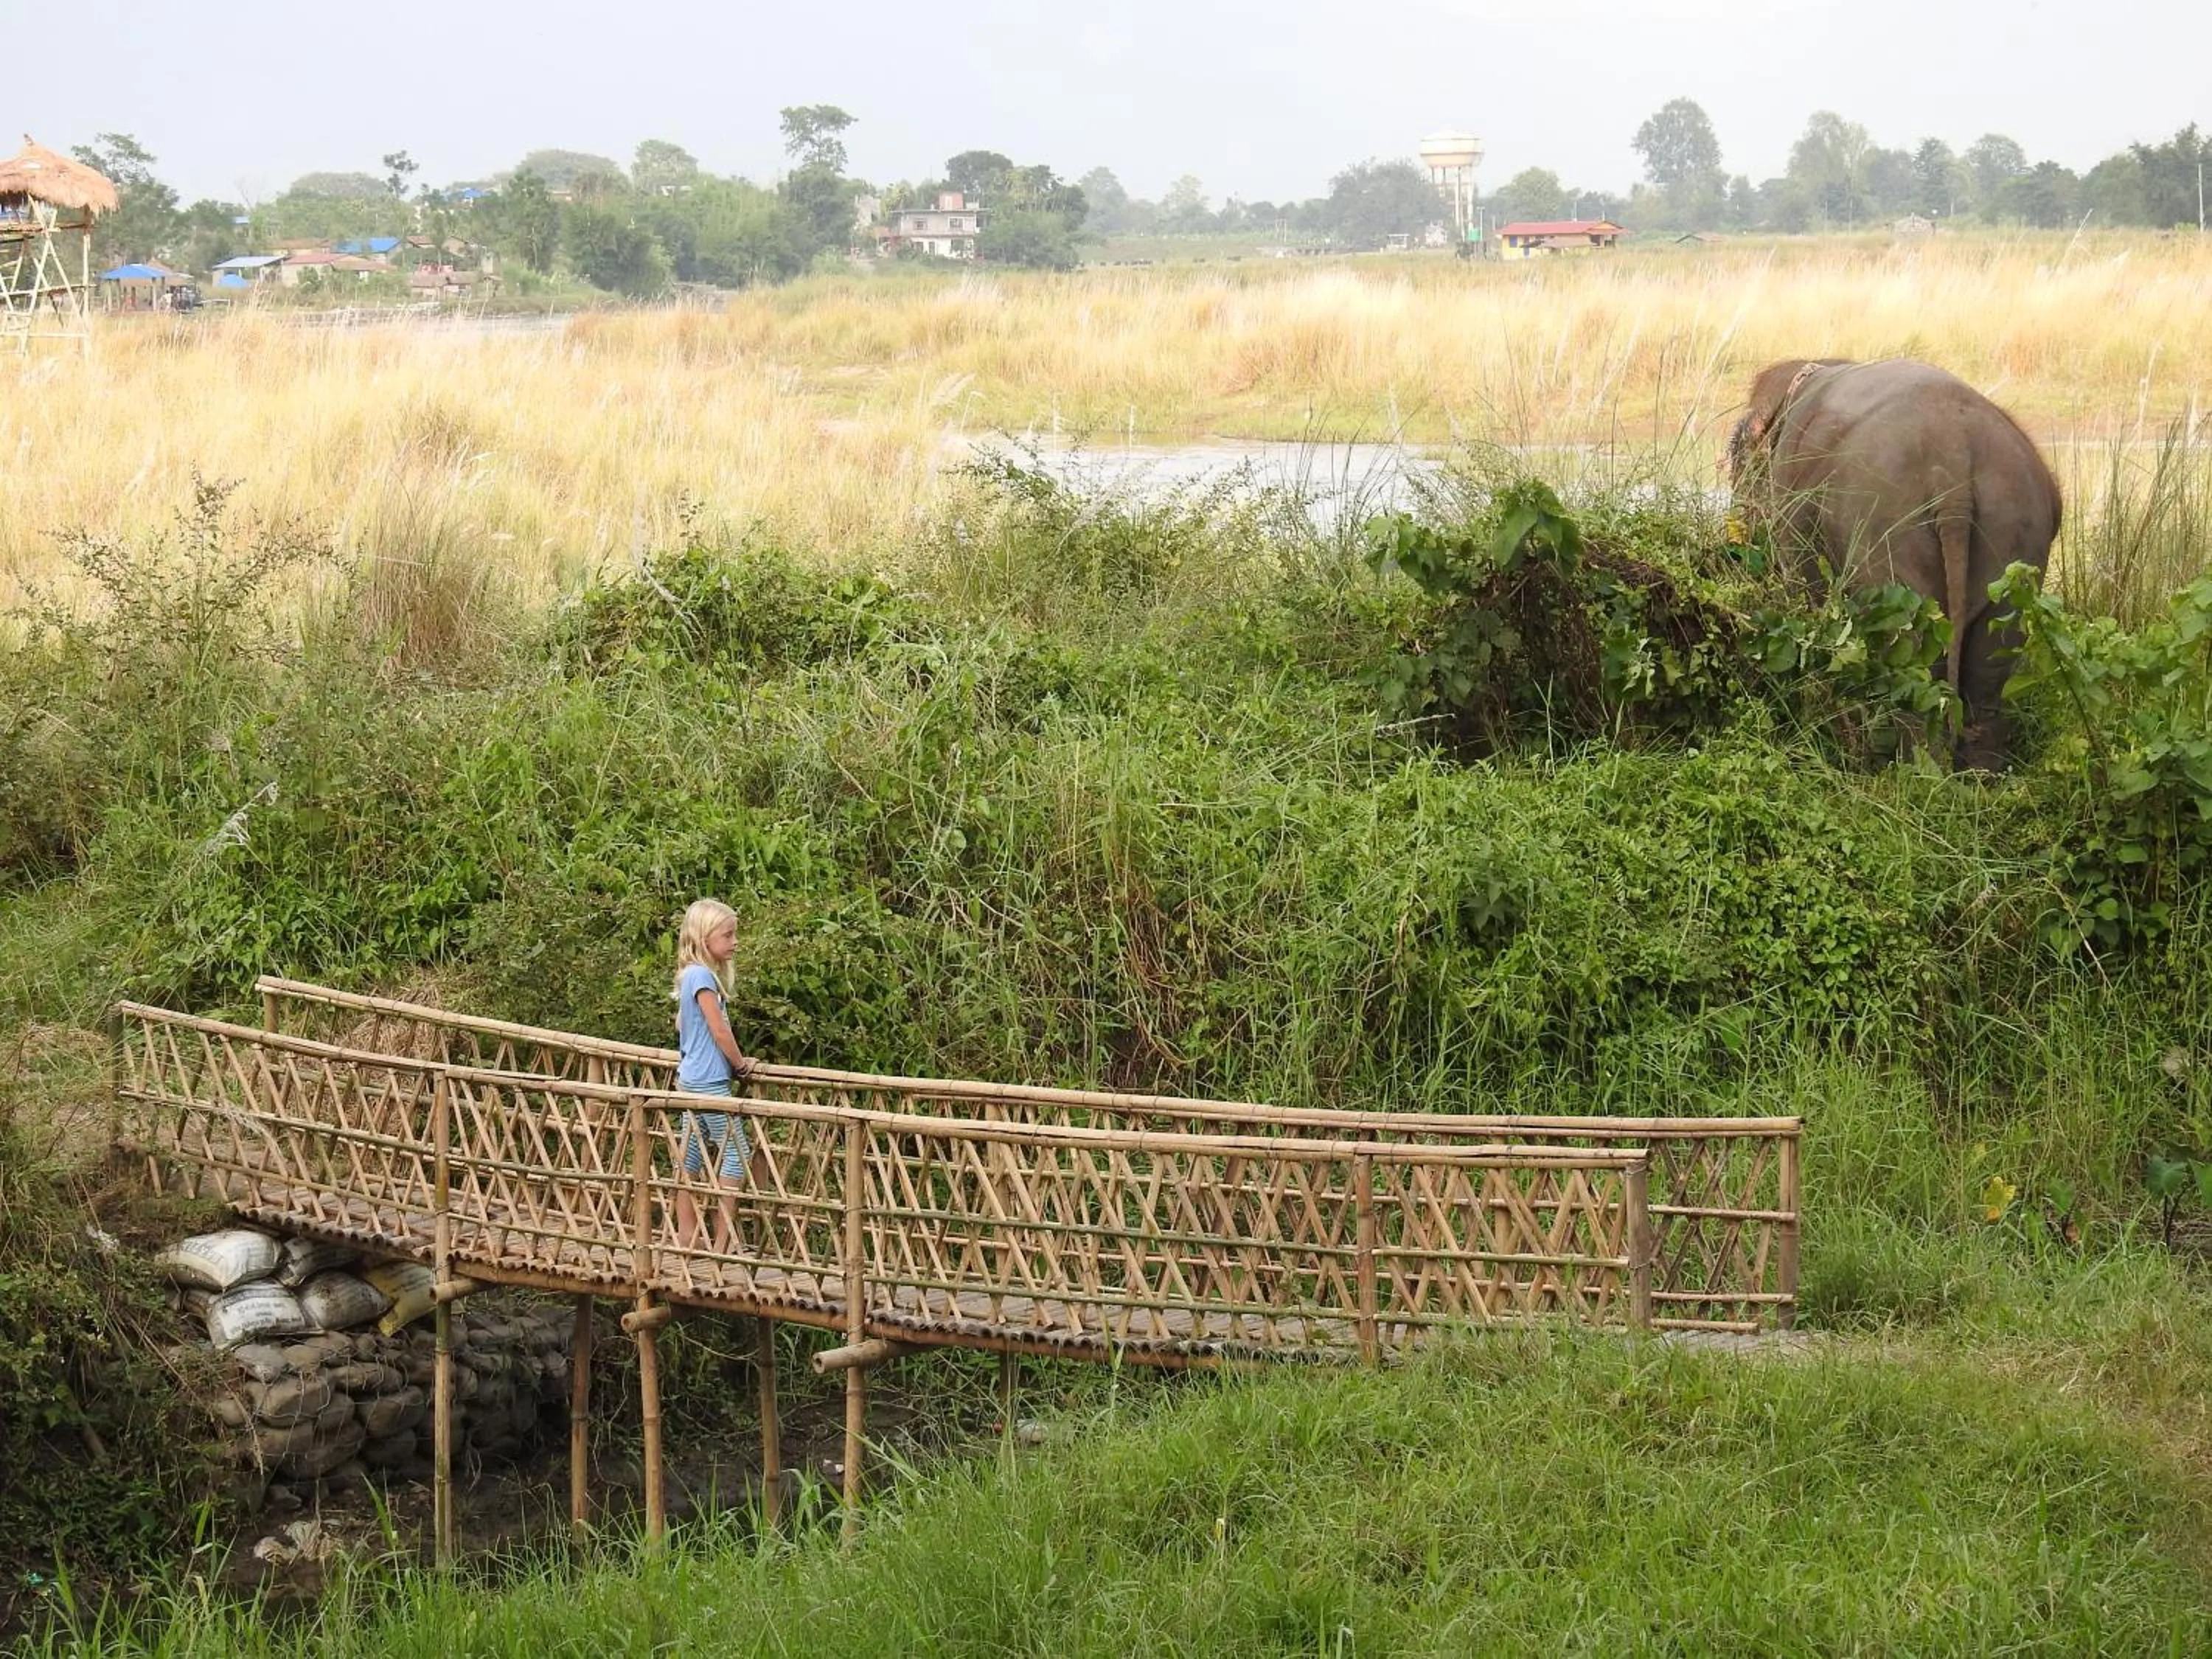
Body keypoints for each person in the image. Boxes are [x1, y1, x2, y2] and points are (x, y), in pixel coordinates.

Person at [672, 898, 757, 1253]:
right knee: (737, 1153)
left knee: (690, 1157)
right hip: (709, 1082)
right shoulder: (703, 977)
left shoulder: (690, 974)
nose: (735, 942)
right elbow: (718, 1029)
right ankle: (723, 1242)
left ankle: (688, 1236)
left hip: (691, 1078)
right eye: (728, 935)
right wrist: (740, 1065)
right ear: (706, 938)